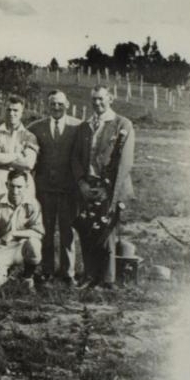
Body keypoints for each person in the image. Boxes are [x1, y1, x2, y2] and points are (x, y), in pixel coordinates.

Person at [71, 85, 135, 288]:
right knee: (86, 228)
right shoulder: (84, 126)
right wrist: (81, 182)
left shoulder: (122, 124)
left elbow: (125, 161)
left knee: (106, 231)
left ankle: (107, 279)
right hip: (87, 187)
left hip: (110, 187)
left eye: (101, 99)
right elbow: (75, 157)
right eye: (94, 100)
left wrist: (108, 190)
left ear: (111, 99)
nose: (97, 103)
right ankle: (90, 275)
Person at [27, 90, 81, 284]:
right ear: (47, 105)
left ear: (67, 103)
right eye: (52, 104)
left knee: (67, 231)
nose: (56, 108)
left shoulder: (78, 127)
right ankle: (47, 270)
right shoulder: (36, 127)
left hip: (68, 189)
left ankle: (68, 273)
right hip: (44, 188)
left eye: (60, 104)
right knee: (46, 231)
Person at [0, 169, 45, 289]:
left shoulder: (33, 204)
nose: (15, 191)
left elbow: (38, 232)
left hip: (22, 246)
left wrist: (14, 233)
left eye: (19, 187)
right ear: (7, 185)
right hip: (2, 247)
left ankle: (27, 277)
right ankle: (9, 273)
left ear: (26, 187)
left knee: (34, 243)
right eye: (12, 186)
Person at [0, 95, 39, 201]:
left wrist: (3, 159)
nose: (11, 113)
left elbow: (29, 164)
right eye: (9, 110)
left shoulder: (29, 136)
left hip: (21, 180)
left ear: (22, 112)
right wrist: (18, 156)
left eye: (15, 110)